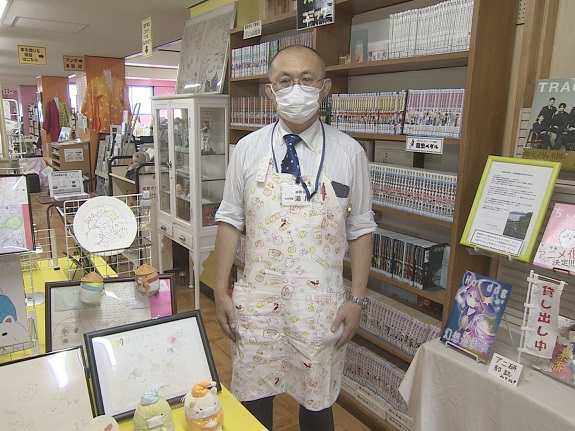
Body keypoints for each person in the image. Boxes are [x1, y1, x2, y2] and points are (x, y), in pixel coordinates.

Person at [213, 45, 376, 431]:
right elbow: (229, 219)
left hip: (320, 305)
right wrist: (220, 289)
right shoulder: (247, 149)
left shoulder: (349, 153)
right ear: (270, 91)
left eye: (307, 79)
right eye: (285, 80)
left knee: (317, 406)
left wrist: (357, 299)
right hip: (257, 300)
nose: (296, 89)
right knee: (254, 403)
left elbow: (362, 227)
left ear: (325, 87)